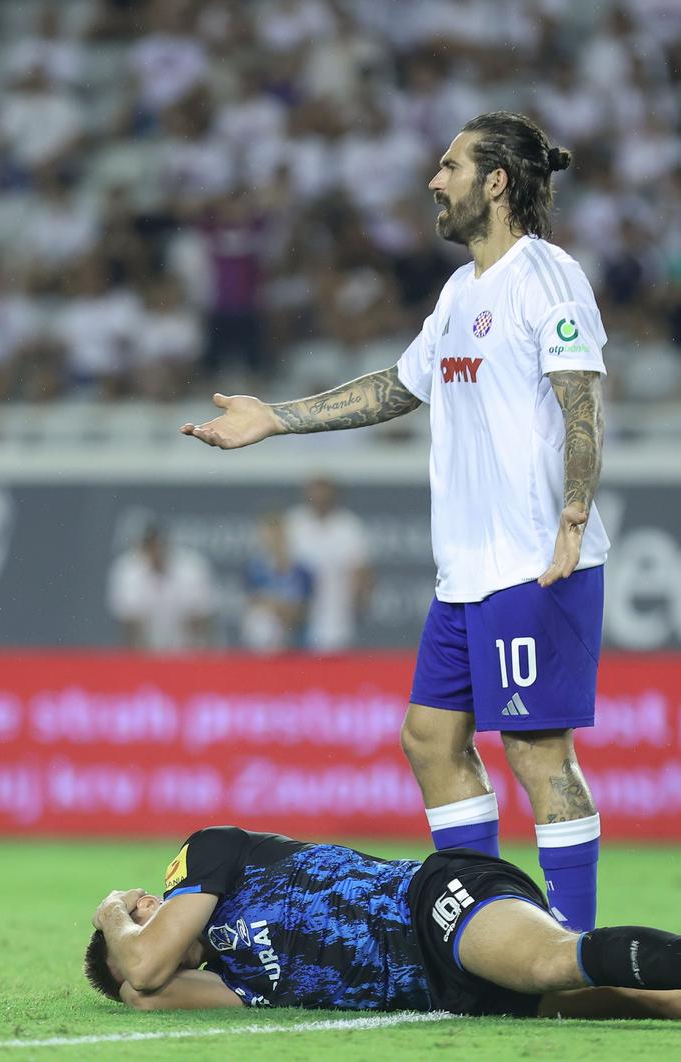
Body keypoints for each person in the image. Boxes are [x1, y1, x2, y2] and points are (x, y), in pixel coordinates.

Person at [182, 112, 609, 932]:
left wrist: (574, 511)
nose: (433, 181)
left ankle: (573, 950)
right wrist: (276, 418)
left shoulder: (546, 276)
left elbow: (580, 400)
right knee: (428, 741)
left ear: (496, 182)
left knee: (538, 754)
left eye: (449, 166)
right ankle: (486, 933)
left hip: (533, 562)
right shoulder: (458, 293)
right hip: (466, 575)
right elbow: (398, 386)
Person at [84, 826, 681, 1023]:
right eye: (134, 912)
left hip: (436, 906)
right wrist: (121, 949)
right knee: (673, 1010)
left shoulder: (216, 854)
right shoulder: (229, 978)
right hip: (454, 990)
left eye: (140, 900)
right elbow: (148, 991)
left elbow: (150, 962)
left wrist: (111, 916)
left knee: (554, 960)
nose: (145, 909)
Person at [284, 477, 371, 652]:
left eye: (324, 493)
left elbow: (361, 570)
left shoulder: (348, 526)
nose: (319, 498)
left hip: (335, 610)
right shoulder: (294, 522)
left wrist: (359, 598)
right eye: (315, 493)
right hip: (297, 611)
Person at [107, 524, 214, 652]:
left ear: (168, 546)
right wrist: (143, 660)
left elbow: (200, 619)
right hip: (145, 651)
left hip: (188, 651)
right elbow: (130, 622)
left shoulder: (191, 568)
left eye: (159, 547)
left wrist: (198, 658)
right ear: (143, 549)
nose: (156, 553)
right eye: (151, 548)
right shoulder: (128, 570)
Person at [240, 511, 313, 653]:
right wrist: (276, 606)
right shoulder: (254, 568)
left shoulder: (301, 570)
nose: (272, 538)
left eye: (277, 532)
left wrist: (285, 610)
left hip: (295, 638)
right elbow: (252, 601)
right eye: (268, 533)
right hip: (262, 642)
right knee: (261, 622)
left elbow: (305, 608)